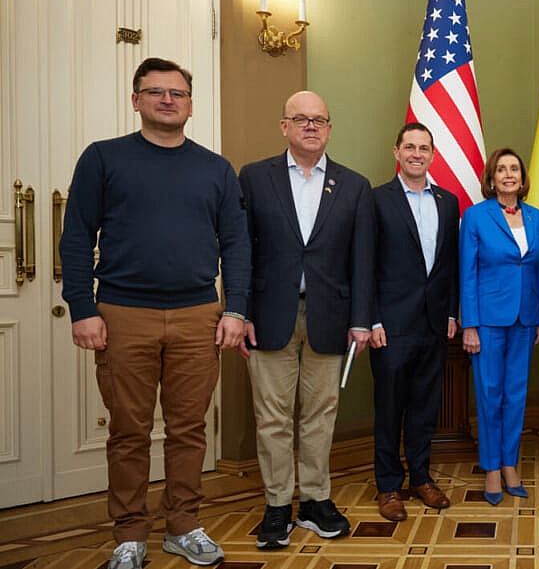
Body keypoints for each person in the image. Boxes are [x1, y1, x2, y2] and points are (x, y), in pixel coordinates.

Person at [60, 57, 249, 568]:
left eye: (177, 93)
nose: (167, 100)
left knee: (190, 429)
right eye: (155, 91)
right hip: (123, 314)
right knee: (128, 430)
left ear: (190, 104)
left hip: (198, 316)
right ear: (136, 99)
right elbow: (76, 237)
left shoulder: (215, 169)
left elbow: (236, 243)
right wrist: (81, 307)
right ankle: (129, 534)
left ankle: (183, 524)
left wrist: (236, 309)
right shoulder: (103, 159)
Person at [238, 91, 374, 549]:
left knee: (320, 417)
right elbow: (242, 253)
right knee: (272, 418)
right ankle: (277, 506)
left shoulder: (353, 185)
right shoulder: (255, 178)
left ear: (330, 128)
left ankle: (316, 501)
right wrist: (239, 313)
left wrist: (361, 319)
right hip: (269, 317)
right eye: (301, 119)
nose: (311, 126)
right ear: (284, 126)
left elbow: (362, 260)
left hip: (331, 319)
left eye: (319, 120)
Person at [370, 122, 460, 522]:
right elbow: (365, 265)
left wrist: (453, 312)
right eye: (410, 146)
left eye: (424, 147)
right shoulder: (376, 200)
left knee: (425, 405)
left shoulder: (448, 201)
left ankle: (420, 477)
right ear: (396, 152)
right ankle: (389, 485)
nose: (417, 153)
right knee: (390, 407)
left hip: (434, 322)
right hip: (390, 323)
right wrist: (370, 319)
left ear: (432, 154)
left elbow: (451, 264)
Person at [460, 148, 539, 506]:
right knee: (489, 393)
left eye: (515, 168)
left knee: (516, 394)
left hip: (525, 320)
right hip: (488, 320)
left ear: (523, 177)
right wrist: (470, 325)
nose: (509, 174)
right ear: (491, 178)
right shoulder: (476, 216)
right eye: (502, 169)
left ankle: (511, 463)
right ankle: (492, 468)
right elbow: (466, 272)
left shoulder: (537, 217)